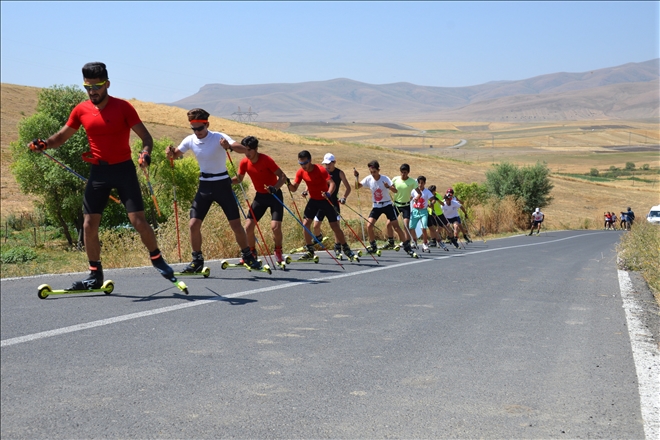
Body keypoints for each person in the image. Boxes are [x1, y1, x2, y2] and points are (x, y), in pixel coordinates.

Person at [28, 62, 183, 291]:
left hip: (124, 170)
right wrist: (44, 143)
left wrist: (145, 153)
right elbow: (60, 137)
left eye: (97, 86)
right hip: (99, 172)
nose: (92, 91)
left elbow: (146, 138)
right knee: (89, 224)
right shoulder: (81, 110)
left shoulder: (123, 108)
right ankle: (94, 274)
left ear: (107, 84)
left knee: (138, 221)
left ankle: (157, 258)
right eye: (88, 87)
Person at [165, 108, 262, 271]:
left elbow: (241, 148)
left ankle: (248, 256)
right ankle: (197, 261)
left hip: (222, 184)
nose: (197, 132)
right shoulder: (190, 140)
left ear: (207, 124)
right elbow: (175, 154)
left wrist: (228, 146)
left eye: (200, 128)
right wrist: (170, 152)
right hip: (204, 186)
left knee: (236, 225)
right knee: (193, 224)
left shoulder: (218, 137)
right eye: (193, 128)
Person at [287, 150, 357, 261]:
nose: (303, 166)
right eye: (301, 163)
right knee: (306, 224)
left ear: (310, 161)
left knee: (335, 226)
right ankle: (310, 250)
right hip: (313, 201)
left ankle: (346, 248)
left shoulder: (320, 170)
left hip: (325, 201)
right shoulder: (300, 172)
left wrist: (328, 193)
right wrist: (287, 183)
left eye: (305, 163)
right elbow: (294, 188)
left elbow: (332, 183)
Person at [230, 136, 288, 265]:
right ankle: (251, 253)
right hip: (260, 197)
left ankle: (278, 250)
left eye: (249, 150)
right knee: (248, 226)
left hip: (274, 196)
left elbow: (282, 176)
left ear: (256, 149)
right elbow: (239, 179)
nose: (247, 153)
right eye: (245, 150)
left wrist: (275, 188)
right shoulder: (244, 162)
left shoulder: (266, 160)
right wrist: (227, 181)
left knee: (275, 227)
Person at [353, 160, 413, 256]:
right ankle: (373, 246)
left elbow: (395, 191)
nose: (373, 174)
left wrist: (388, 186)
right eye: (371, 172)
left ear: (378, 170)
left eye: (374, 172)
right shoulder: (369, 179)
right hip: (376, 205)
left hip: (387, 205)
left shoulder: (385, 178)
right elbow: (357, 187)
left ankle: (407, 247)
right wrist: (357, 177)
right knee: (369, 226)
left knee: (396, 227)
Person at [312, 153, 352, 256]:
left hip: (333, 203)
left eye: (329, 163)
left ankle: (337, 246)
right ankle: (319, 237)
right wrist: (306, 190)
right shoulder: (323, 172)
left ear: (334, 162)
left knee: (336, 226)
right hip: (321, 202)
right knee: (316, 225)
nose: (327, 166)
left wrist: (344, 198)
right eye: (325, 164)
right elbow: (314, 182)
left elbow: (348, 188)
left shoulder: (340, 173)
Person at [389, 163, 417, 248]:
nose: (403, 174)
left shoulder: (412, 181)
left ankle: (407, 241)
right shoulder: (395, 179)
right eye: (401, 172)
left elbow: (417, 191)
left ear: (408, 172)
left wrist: (415, 197)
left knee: (406, 224)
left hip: (406, 205)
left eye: (405, 172)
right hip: (396, 204)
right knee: (389, 223)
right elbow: (391, 187)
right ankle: (391, 241)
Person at [409, 176, 435, 252]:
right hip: (415, 211)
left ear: (424, 183)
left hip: (423, 211)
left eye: (422, 183)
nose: (420, 185)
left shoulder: (427, 192)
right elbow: (410, 198)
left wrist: (431, 204)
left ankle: (425, 244)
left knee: (423, 227)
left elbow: (433, 200)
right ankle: (414, 241)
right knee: (411, 227)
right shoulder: (414, 191)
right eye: (419, 183)